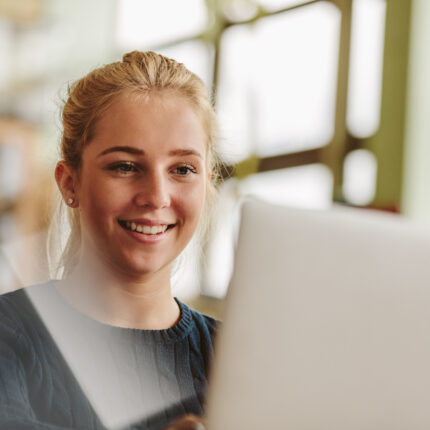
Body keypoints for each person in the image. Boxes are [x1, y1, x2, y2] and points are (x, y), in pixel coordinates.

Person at [0, 51, 221, 430]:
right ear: (70, 182)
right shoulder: (9, 333)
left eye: (182, 169)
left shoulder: (238, 358)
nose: (156, 196)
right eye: (125, 166)